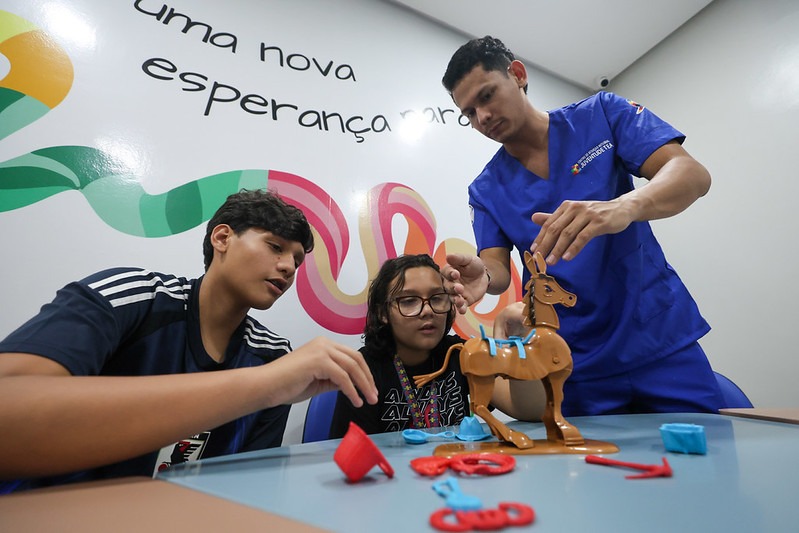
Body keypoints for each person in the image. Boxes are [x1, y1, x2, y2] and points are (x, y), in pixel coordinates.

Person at [0, 189, 377, 492]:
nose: (288, 268)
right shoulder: (133, 297)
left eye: (297, 260)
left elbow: (246, 489)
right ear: (222, 237)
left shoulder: (273, 355)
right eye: (275, 247)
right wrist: (266, 384)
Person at [439, 36, 724, 416]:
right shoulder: (486, 189)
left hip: (657, 340)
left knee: (706, 461)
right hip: (572, 363)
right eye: (469, 113)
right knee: (589, 472)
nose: (483, 117)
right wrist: (484, 277)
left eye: (487, 96)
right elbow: (495, 271)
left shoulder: (601, 115)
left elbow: (692, 175)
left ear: (518, 75)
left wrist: (624, 206)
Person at [328, 254, 544, 438]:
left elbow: (531, 409)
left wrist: (521, 337)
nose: (427, 310)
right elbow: (348, 452)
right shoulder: (363, 368)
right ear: (383, 313)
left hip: (454, 476)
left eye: (437, 298)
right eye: (409, 301)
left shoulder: (461, 353)